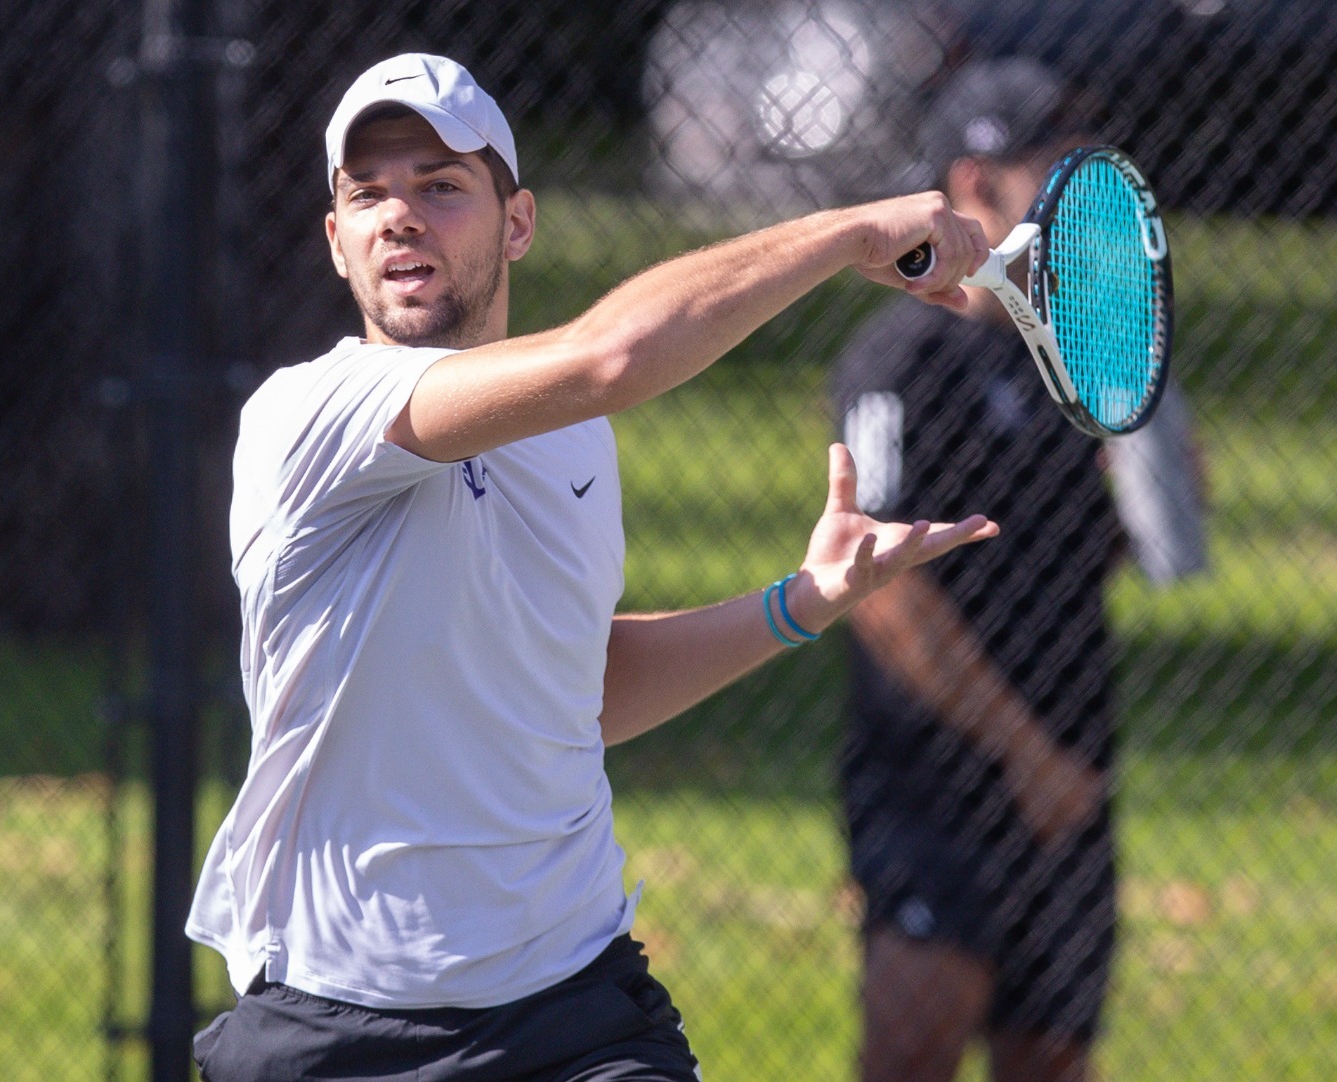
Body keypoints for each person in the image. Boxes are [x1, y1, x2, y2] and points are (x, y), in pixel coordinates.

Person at [188, 52, 1001, 1082]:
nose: (399, 215)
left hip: (574, 1008)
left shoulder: (573, 440)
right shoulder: (307, 415)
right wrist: (843, 234)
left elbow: (572, 687)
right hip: (339, 1023)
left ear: (515, 222)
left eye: (440, 186)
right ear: (336, 243)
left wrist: (798, 603)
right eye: (367, 195)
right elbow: (609, 355)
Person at [832, 58, 1194, 1082]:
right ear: (976, 181)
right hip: (936, 776)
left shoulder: (1076, 358)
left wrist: (1157, 482)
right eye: (1052, 158)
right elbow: (879, 588)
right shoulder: (897, 361)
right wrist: (1018, 753)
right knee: (913, 1046)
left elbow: (1107, 551)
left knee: (1049, 1059)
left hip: (1073, 770)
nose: (1078, 179)